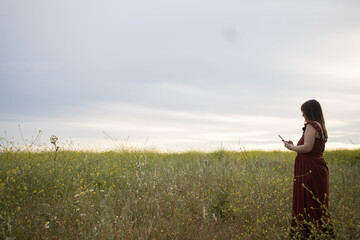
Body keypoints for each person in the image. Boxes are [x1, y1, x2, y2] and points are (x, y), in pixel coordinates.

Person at [283, 99, 334, 238]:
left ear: (309, 112)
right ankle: (318, 233)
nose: (302, 115)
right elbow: (310, 147)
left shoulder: (312, 126)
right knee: (315, 202)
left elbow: (307, 148)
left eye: (303, 112)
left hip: (310, 168)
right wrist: (295, 145)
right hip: (316, 167)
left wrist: (291, 147)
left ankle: (307, 234)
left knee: (309, 201)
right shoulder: (320, 126)